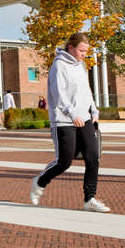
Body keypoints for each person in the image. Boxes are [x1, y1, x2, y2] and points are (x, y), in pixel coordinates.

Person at [30, 33, 110, 212]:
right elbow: (59, 94)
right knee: (64, 162)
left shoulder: (81, 66)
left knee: (93, 157)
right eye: (81, 50)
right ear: (71, 47)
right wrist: (72, 114)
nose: (84, 54)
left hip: (84, 118)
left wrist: (94, 110)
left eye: (86, 51)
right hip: (63, 120)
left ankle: (89, 199)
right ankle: (40, 181)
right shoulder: (59, 66)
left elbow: (86, 90)